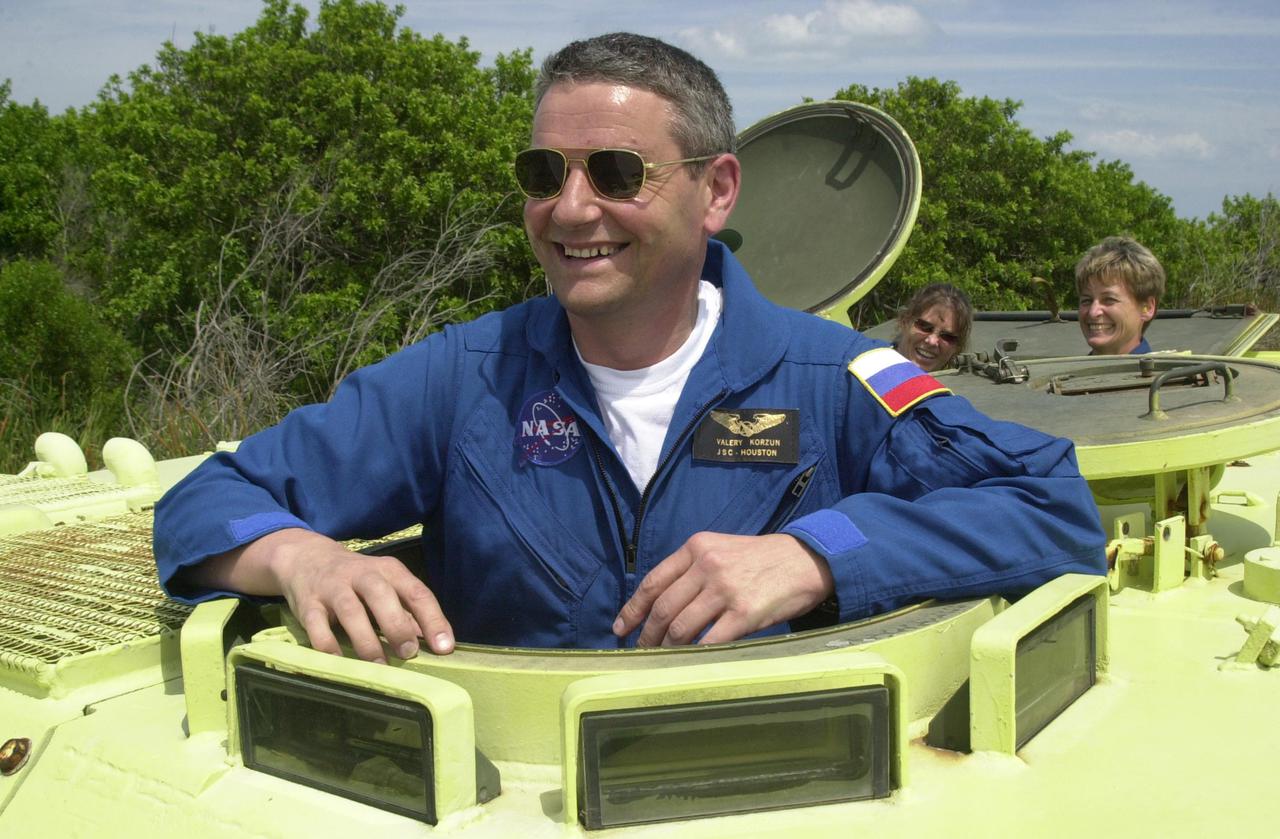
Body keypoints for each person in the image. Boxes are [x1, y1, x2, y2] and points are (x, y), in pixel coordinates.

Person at [153, 33, 1106, 662]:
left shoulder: (833, 378)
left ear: (717, 190)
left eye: (616, 172)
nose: (570, 209)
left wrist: (817, 553)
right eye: (544, 172)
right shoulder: (462, 376)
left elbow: (1051, 504)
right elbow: (205, 500)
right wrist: (302, 560)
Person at [1075, 236, 1165, 355]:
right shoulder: (1063, 367)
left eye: (1109, 300)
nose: (1093, 312)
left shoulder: (1171, 367)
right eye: (1087, 300)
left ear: (1147, 308)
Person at [893, 283, 973, 372]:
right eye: (925, 327)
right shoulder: (879, 361)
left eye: (947, 337)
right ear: (905, 321)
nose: (932, 341)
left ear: (957, 348)